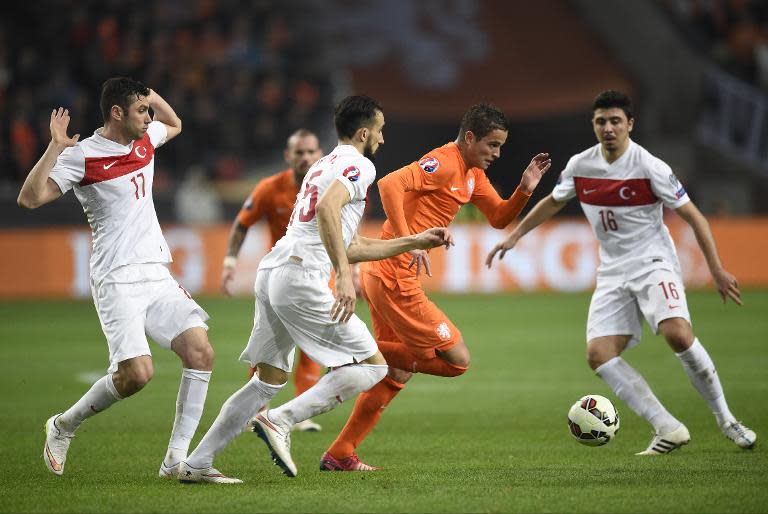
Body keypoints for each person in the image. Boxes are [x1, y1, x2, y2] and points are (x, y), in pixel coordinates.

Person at [178, 95, 455, 484]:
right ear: (364, 132)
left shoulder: (322, 165)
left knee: (267, 379)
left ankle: (197, 463)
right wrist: (343, 275)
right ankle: (281, 420)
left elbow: (351, 243)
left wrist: (413, 242)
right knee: (373, 367)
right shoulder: (361, 164)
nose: (382, 137)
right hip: (302, 276)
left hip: (275, 269)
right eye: (379, 130)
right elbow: (327, 211)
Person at [486, 90, 756, 455]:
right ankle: (667, 427)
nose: (608, 128)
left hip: (653, 263)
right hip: (612, 270)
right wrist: (515, 235)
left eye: (615, 121)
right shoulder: (582, 165)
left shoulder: (650, 167)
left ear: (630, 124)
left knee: (677, 334)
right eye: (601, 121)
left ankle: (727, 420)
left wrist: (717, 270)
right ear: (593, 125)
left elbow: (695, 217)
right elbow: (553, 201)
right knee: (598, 354)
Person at [321, 103, 552, 471]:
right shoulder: (444, 162)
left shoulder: (472, 174)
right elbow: (390, 183)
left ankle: (341, 453)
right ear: (470, 137)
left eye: (501, 147)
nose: (497, 154)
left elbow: (498, 218)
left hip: (386, 274)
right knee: (458, 360)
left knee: (396, 373)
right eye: (492, 145)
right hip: (395, 274)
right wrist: (410, 239)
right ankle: (346, 351)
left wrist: (524, 190)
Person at [18, 77, 216, 478]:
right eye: (142, 110)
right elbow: (30, 198)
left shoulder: (144, 140)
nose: (150, 116)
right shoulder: (85, 156)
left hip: (155, 272)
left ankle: (176, 462)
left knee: (201, 353)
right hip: (116, 277)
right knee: (136, 375)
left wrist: (147, 90)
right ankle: (63, 425)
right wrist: (55, 147)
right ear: (116, 113)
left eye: (149, 109)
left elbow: (175, 123)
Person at [221, 128, 326, 432]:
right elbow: (242, 224)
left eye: (310, 151)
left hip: (317, 273)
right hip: (279, 276)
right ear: (288, 156)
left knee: (311, 345)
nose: (305, 157)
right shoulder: (271, 188)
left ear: (319, 154)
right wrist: (229, 263)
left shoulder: (328, 185)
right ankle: (257, 410)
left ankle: (300, 412)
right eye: (299, 152)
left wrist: (353, 272)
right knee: (267, 343)